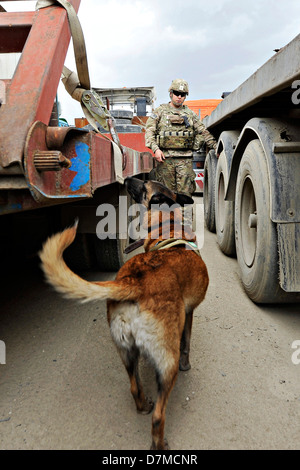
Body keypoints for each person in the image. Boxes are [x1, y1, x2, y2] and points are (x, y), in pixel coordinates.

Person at [145, 79, 217, 197]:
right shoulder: (160, 111)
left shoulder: (190, 114)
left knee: (185, 195)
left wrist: (215, 146)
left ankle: (184, 216)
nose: (179, 97)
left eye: (182, 95)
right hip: (165, 160)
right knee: (166, 195)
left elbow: (203, 131)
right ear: (171, 94)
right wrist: (155, 149)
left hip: (185, 161)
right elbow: (149, 132)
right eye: (176, 93)